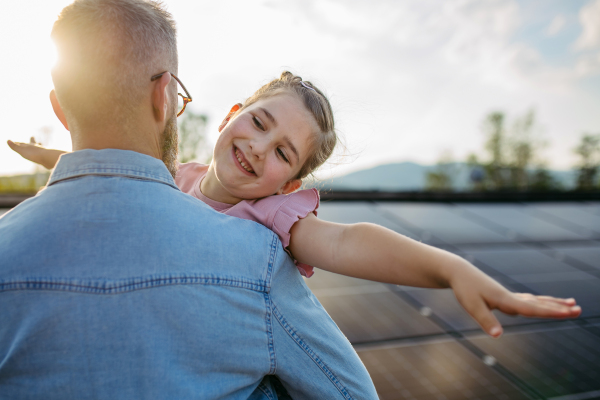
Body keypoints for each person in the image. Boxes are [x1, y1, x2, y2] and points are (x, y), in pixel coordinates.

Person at [11, 69, 582, 341]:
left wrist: (450, 267)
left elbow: (347, 240)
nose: (258, 148)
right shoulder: (173, 179)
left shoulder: (270, 216)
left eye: (283, 152)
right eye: (258, 122)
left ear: (289, 186)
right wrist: (52, 155)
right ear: (233, 112)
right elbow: (117, 170)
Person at [0, 1, 380, 399]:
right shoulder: (256, 261)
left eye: (283, 152)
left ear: (60, 109)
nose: (257, 149)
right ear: (165, 96)